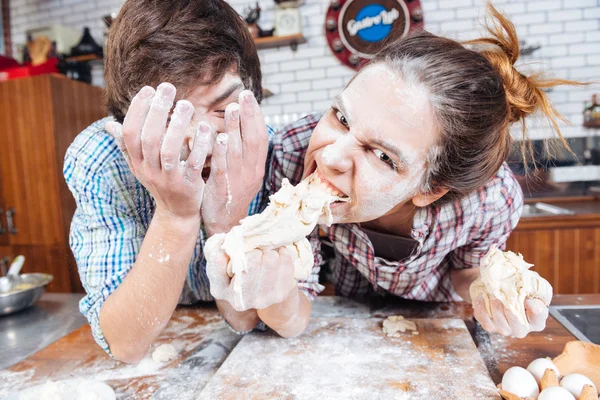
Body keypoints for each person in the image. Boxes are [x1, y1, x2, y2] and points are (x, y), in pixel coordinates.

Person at [208, 5, 582, 339]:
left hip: (435, 322)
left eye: (383, 156)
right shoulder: (293, 153)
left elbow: (466, 272)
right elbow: (294, 313)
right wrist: (276, 292)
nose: (330, 157)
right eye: (341, 118)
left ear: (431, 189)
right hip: (349, 313)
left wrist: (493, 292)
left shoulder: (489, 201)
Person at [64, 0, 317, 363]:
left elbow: (248, 320)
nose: (203, 139)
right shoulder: (101, 159)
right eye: (171, 118)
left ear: (251, 93)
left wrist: (227, 221)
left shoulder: (275, 152)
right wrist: (174, 215)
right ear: (128, 116)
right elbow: (126, 343)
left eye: (220, 109)